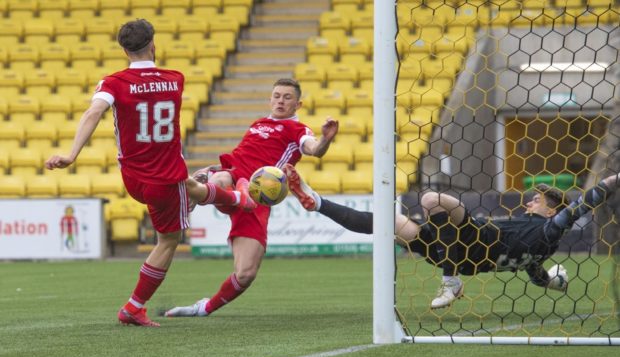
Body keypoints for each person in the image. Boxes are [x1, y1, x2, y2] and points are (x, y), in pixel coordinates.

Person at [45, 19, 256, 327]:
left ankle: (236, 198)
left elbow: (94, 112)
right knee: (169, 239)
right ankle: (134, 307)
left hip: (133, 177)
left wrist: (71, 154)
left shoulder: (113, 82)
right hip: (164, 178)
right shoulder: (175, 79)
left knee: (190, 184)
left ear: (123, 50)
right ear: (154, 44)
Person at [282, 164, 620, 309]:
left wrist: (609, 181)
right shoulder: (540, 248)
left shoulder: (549, 228)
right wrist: (555, 282)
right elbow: (534, 273)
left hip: (476, 241)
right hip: (457, 249)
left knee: (431, 199)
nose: (531, 200)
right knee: (388, 222)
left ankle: (450, 282)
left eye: (538, 199)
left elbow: (579, 206)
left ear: (551, 211)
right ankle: (319, 203)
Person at [164, 78, 339, 318]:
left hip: (257, 197)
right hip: (231, 177)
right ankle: (191, 196)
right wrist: (212, 168)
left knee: (245, 274)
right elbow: (239, 157)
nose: (280, 100)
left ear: (298, 104)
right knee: (215, 179)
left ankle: (204, 308)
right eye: (277, 95)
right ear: (270, 99)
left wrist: (325, 140)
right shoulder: (258, 123)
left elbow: (313, 148)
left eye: (287, 97)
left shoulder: (297, 129)